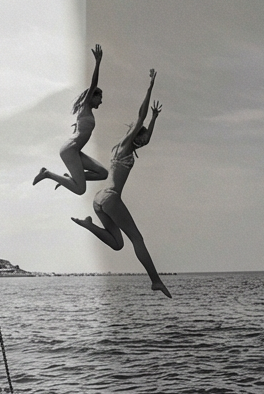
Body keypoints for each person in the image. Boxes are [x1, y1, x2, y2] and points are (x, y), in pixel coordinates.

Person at [73, 69, 172, 294]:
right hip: (111, 197)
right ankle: (155, 280)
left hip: (99, 199)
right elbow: (140, 117)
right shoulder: (127, 145)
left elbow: (145, 135)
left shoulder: (122, 147)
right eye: (142, 138)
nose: (144, 142)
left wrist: (154, 120)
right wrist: (150, 88)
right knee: (137, 238)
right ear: (135, 136)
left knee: (118, 244)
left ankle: (89, 225)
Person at [33, 44, 108, 194]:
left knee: (103, 173)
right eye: (100, 98)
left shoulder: (87, 112)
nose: (101, 101)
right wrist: (98, 62)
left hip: (75, 150)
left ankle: (70, 179)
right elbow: (93, 84)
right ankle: (47, 173)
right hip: (70, 150)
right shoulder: (86, 106)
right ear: (93, 96)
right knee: (80, 190)